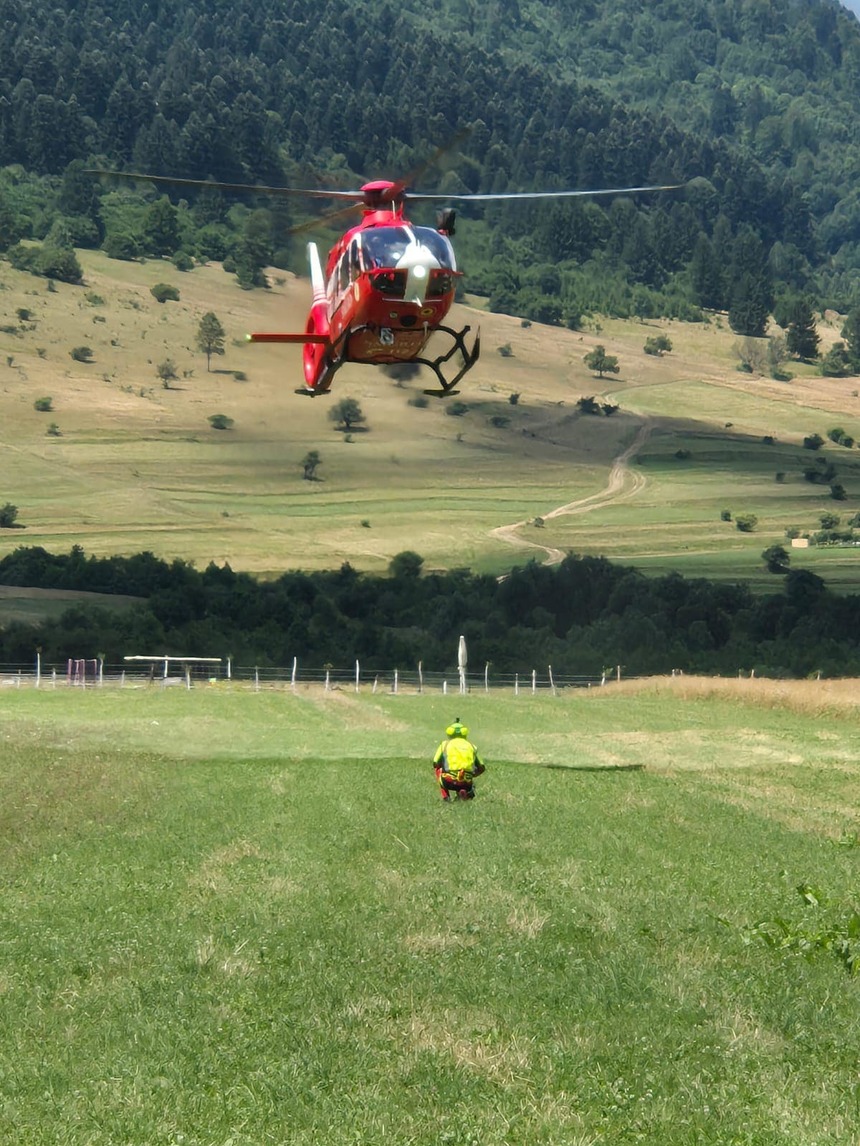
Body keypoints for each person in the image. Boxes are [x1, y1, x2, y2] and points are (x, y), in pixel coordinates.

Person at [432, 718, 485, 801]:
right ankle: (466, 792)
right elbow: (482, 767)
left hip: (449, 781)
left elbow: (435, 763)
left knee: (438, 769)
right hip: (467, 783)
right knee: (466, 775)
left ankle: (446, 797)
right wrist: (472, 774)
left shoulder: (444, 745)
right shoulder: (472, 746)